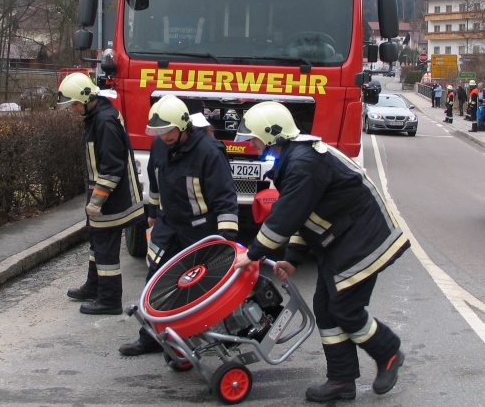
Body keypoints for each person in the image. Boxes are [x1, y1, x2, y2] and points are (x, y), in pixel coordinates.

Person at [233, 101, 410, 403]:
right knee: (325, 306)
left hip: (364, 238)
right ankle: (341, 380)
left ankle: (388, 352)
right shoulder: (295, 159)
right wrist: (292, 259)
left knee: (344, 308)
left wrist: (252, 254)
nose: (250, 143)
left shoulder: (303, 163)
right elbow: (306, 215)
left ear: (272, 133)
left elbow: (286, 217)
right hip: (341, 238)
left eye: (254, 137)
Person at [119, 95, 239, 355]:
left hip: (199, 230)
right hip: (167, 225)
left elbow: (225, 197)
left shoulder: (208, 151)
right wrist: (151, 211)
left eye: (169, 130)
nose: (164, 136)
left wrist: (226, 236)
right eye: (159, 131)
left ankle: (219, 335)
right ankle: (150, 337)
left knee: (201, 287)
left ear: (183, 125)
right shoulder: (160, 145)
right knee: (156, 280)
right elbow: (155, 180)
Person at [57, 73, 145, 315]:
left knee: (106, 247)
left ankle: (109, 300)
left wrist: (97, 200)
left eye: (74, 104)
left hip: (112, 198)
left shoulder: (104, 121)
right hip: (104, 194)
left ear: (87, 98)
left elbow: (112, 167)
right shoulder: (98, 116)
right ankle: (94, 286)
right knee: (96, 240)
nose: (73, 109)